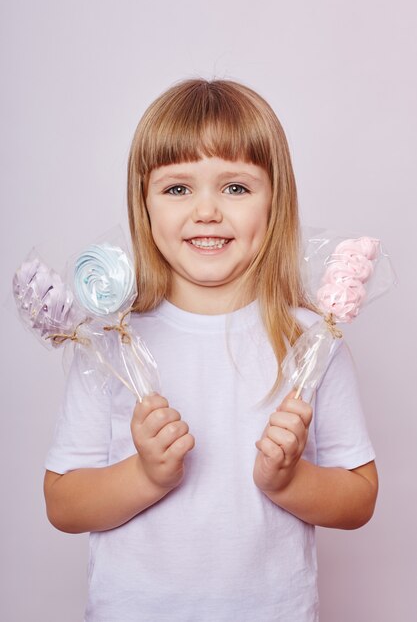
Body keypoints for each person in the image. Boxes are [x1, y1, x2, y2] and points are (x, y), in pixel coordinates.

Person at [43, 78, 378, 622]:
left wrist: (292, 481)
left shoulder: (312, 344)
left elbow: (359, 498)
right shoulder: (109, 347)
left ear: (275, 200)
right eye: (178, 188)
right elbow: (62, 503)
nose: (206, 211)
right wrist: (146, 475)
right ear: (143, 204)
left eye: (236, 187)